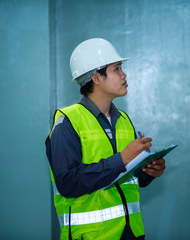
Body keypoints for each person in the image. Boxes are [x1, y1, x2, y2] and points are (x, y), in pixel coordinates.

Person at [45, 38, 166, 240]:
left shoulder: (124, 120)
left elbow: (127, 178)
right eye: (117, 69)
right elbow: (67, 182)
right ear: (96, 78)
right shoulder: (67, 122)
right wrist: (122, 158)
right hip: (92, 236)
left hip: (132, 232)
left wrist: (149, 172)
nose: (124, 74)